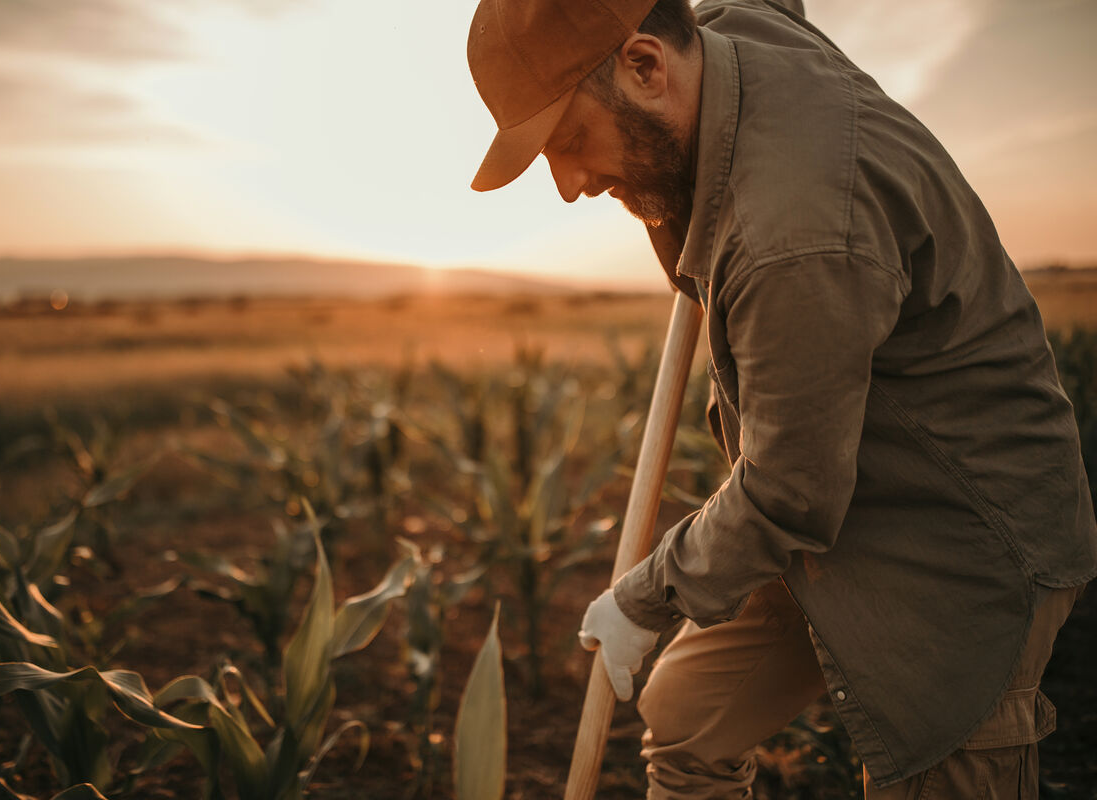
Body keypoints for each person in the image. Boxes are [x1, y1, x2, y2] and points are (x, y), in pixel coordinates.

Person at [466, 0, 1097, 797]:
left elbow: (789, 491)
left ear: (648, 66)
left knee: (929, 762)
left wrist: (643, 598)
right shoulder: (732, 30)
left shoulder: (792, 235)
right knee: (690, 712)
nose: (570, 186)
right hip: (844, 486)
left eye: (569, 141)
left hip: (961, 533)